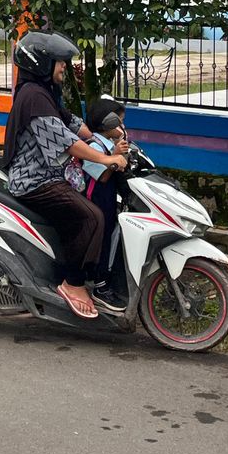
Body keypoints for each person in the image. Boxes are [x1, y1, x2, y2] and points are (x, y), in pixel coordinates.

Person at [4, 31, 128, 318]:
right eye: (59, 62)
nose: (64, 67)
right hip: (33, 180)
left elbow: (72, 124)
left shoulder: (43, 92)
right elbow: (68, 143)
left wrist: (100, 138)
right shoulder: (34, 97)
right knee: (91, 216)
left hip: (50, 174)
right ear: (41, 64)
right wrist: (106, 158)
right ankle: (72, 283)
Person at [79, 96, 132, 306]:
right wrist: (115, 156)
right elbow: (102, 176)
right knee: (103, 240)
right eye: (119, 122)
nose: (122, 127)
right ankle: (100, 284)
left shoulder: (110, 143)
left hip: (109, 199)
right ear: (108, 124)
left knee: (112, 235)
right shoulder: (94, 146)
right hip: (96, 202)